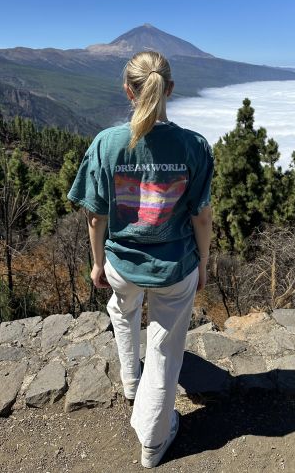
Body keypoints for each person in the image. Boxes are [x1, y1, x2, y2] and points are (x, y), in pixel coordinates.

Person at [67, 50, 214, 468]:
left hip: (122, 264)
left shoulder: (106, 143)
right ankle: (153, 438)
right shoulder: (194, 146)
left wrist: (98, 262)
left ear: (128, 91)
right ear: (170, 89)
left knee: (122, 307)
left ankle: (131, 381)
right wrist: (203, 262)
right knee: (165, 348)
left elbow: (95, 215)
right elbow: (202, 216)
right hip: (175, 267)